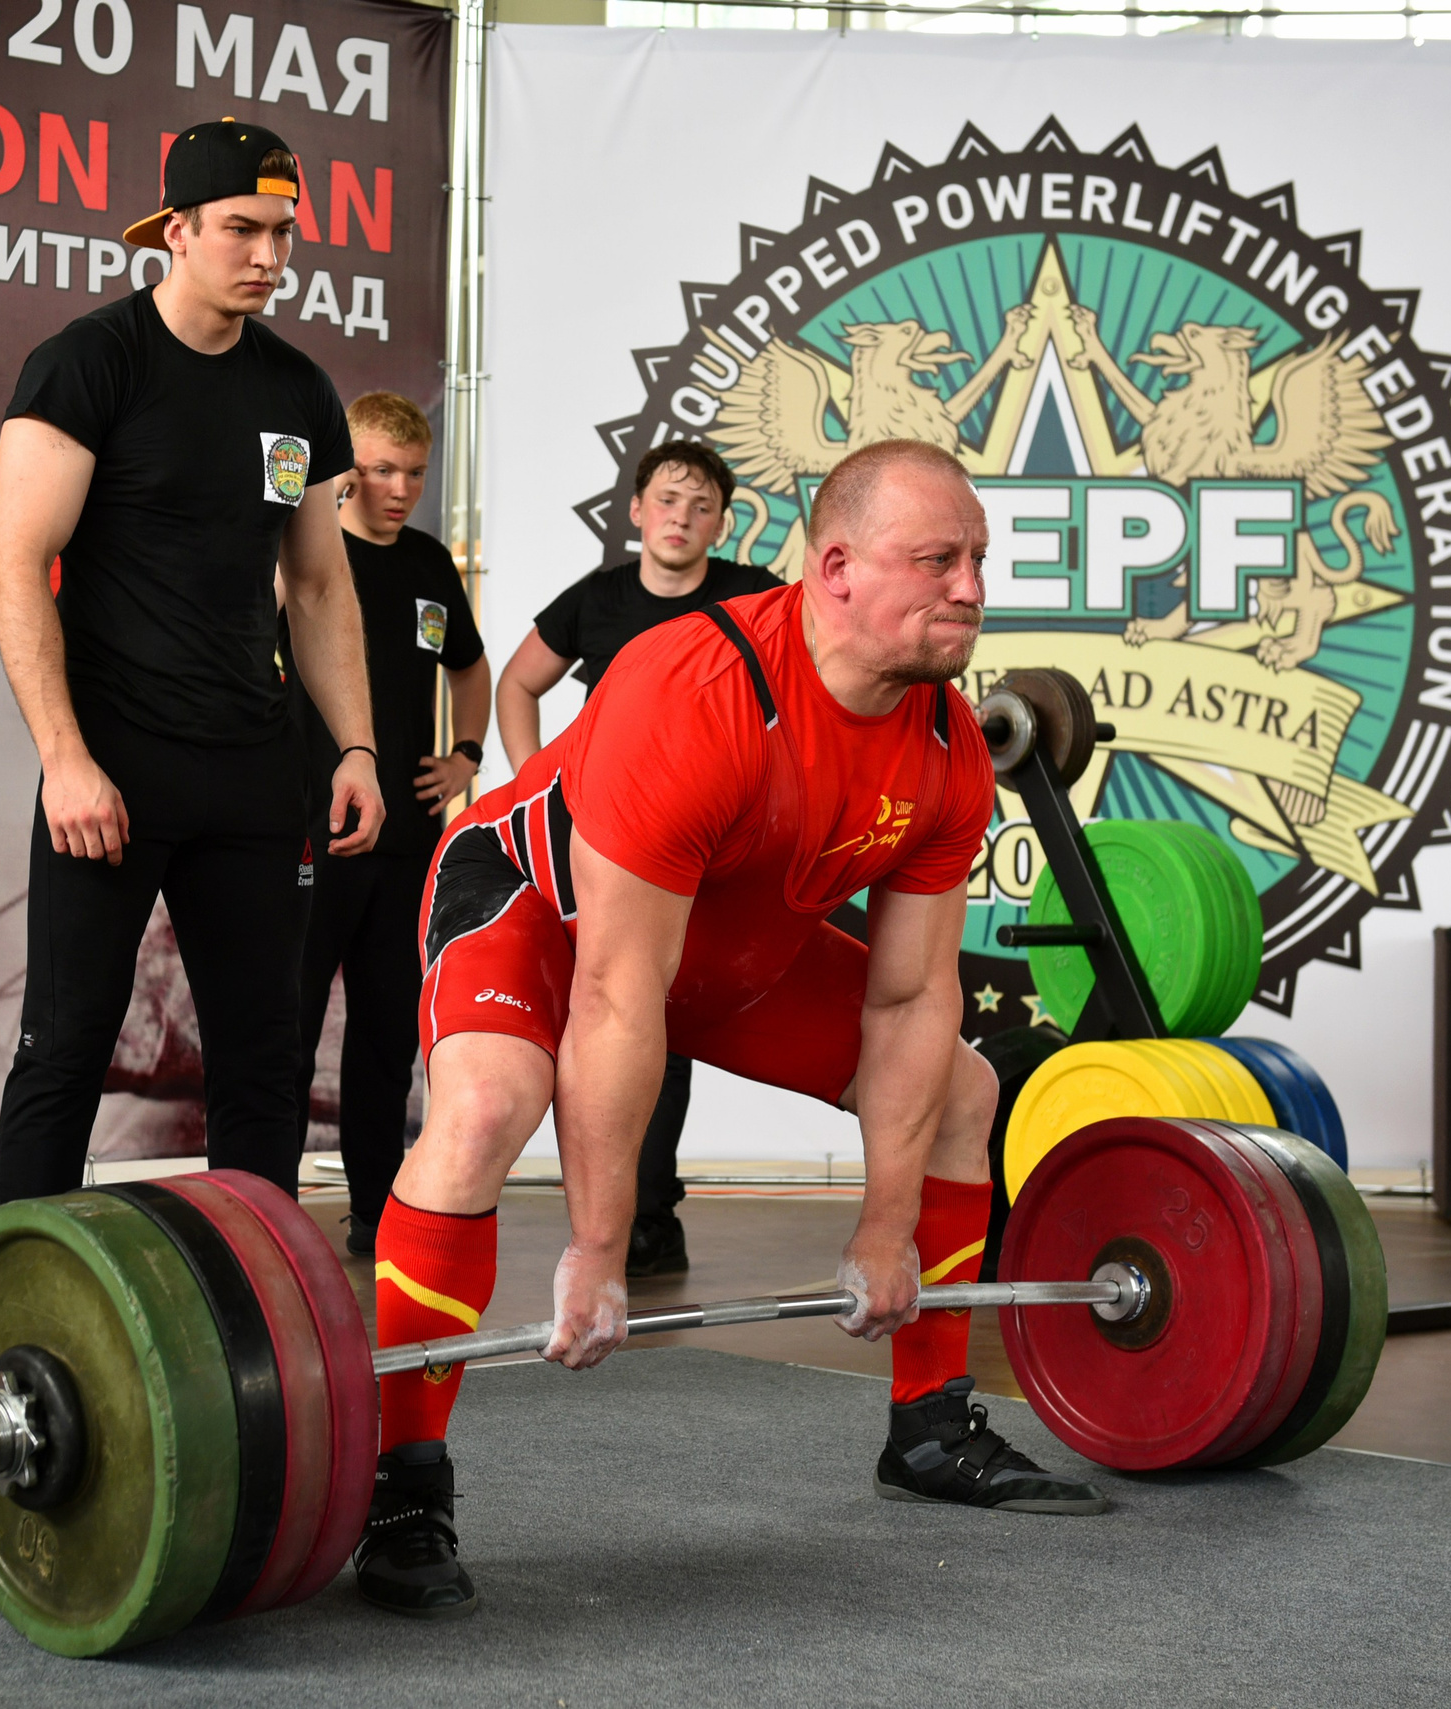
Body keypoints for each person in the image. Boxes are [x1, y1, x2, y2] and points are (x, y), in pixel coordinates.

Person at [355, 439, 1108, 1621]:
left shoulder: (947, 747)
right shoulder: (696, 689)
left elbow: (910, 998)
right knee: (485, 1107)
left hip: (731, 942)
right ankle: (402, 1484)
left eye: (977, 559)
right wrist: (598, 1250)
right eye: (937, 560)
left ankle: (928, 1426)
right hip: (538, 911)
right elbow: (616, 995)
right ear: (837, 568)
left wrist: (885, 1229)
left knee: (963, 1091)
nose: (971, 587)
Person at [0, 119, 383, 1204]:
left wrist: (355, 746)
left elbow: (317, 584)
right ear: (177, 230)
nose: (268, 256)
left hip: (255, 766)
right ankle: (12, 1294)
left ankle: (250, 1292)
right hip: (114, 764)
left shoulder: (298, 391)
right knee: (66, 1045)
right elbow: (16, 568)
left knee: (263, 1059)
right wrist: (64, 759)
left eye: (283, 233)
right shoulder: (87, 364)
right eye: (242, 229)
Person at [494, 442, 780, 1277]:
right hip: (608, 842)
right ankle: (606, 1221)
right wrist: (534, 782)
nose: (680, 517)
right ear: (636, 511)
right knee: (605, 1013)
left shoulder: (756, 596)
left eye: (700, 506)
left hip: (712, 842)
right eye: (666, 500)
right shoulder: (599, 598)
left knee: (664, 1020)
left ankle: (650, 1215)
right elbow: (517, 684)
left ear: (722, 523)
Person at [289, 393, 490, 1257]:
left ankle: (376, 1212)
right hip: (311, 831)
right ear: (346, 470)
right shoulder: (304, 551)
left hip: (406, 841)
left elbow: (472, 669)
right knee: (287, 1033)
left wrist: (466, 754)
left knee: (385, 1040)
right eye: (379, 470)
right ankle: (265, 1217)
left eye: (413, 472)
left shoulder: (430, 562)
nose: (400, 489)